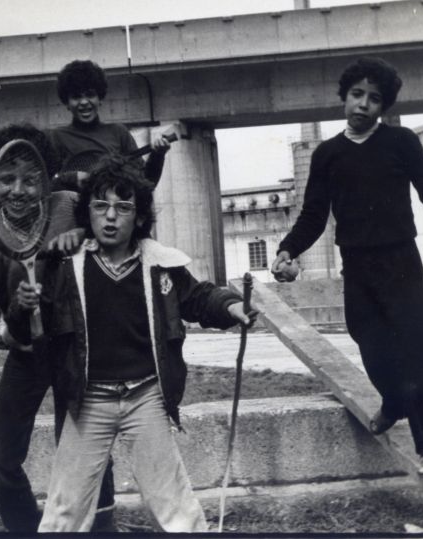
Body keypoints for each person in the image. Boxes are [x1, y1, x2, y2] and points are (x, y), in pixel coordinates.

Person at [13, 155, 256, 532]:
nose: (110, 217)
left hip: (146, 396)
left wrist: (232, 306)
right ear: (87, 213)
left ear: (140, 217)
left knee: (174, 502)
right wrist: (20, 306)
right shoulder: (64, 265)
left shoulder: (161, 263)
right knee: (65, 508)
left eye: (123, 208)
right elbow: (27, 326)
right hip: (89, 399)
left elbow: (199, 298)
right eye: (100, 206)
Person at [271, 57, 423, 479]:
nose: (363, 104)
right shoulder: (327, 154)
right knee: (370, 344)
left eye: (374, 99)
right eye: (357, 95)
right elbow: (313, 215)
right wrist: (288, 250)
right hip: (356, 264)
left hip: (400, 260)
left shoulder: (402, 142)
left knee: (416, 353)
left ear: (383, 106)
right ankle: (393, 401)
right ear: (344, 97)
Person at [0, 123, 117, 533]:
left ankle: (102, 530)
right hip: (27, 355)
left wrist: (85, 233)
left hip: (80, 353)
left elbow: (120, 233)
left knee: (84, 452)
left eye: (30, 178)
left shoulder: (71, 204)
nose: (18, 190)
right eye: (6, 179)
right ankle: (28, 529)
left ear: (47, 176)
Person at [51, 59, 170, 191]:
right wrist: (71, 179)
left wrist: (158, 156)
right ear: (67, 103)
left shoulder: (119, 133)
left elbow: (145, 184)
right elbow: (44, 187)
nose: (84, 102)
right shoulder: (56, 137)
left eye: (90, 95)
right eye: (76, 97)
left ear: (100, 98)